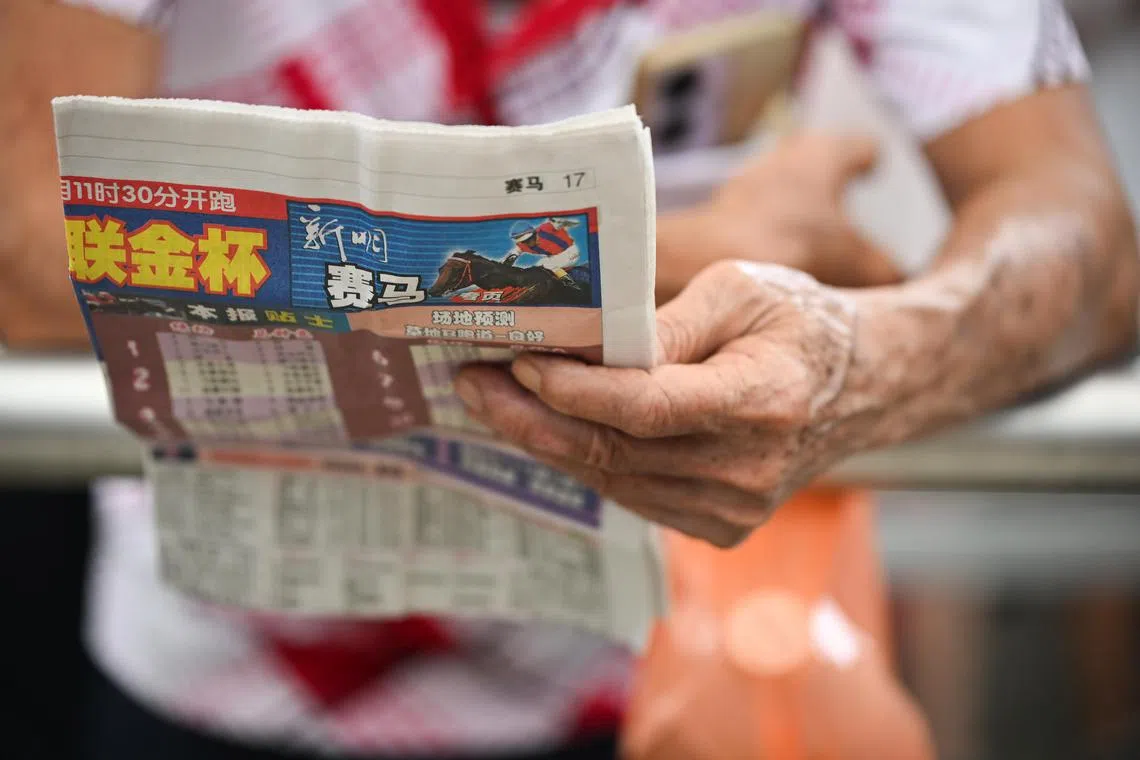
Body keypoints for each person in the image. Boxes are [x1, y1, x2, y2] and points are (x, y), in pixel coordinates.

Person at [2, 1, 1137, 759]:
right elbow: (25, 241)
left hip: (648, 673)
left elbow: (1085, 230)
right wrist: (671, 255)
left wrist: (867, 367)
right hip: (221, 667)